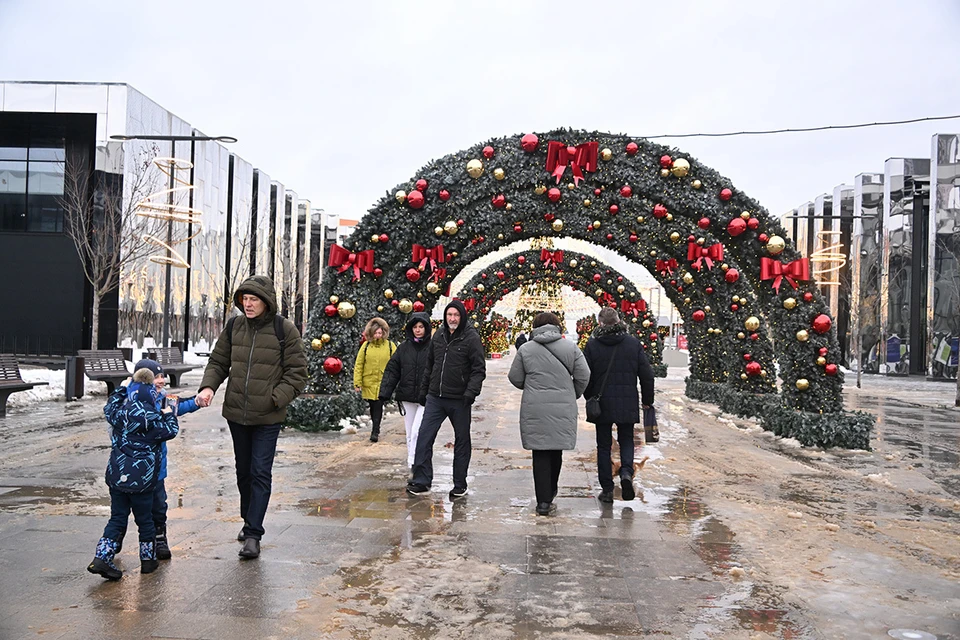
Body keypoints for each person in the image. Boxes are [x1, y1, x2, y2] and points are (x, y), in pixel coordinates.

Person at [195, 274, 308, 559]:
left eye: (253, 299)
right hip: (236, 412)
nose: (247, 304)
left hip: (268, 417)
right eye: (244, 299)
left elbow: (298, 373)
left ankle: (254, 534)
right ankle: (249, 520)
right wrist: (209, 387)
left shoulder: (285, 330)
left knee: (260, 472)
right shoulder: (234, 327)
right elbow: (219, 360)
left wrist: (275, 398)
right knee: (243, 471)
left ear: (266, 302)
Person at [88, 367, 179, 580]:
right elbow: (172, 430)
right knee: (145, 521)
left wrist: (122, 389)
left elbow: (109, 406)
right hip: (143, 481)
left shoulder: (119, 415)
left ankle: (102, 557)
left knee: (117, 519)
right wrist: (170, 413)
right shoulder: (154, 420)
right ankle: (148, 561)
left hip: (117, 478)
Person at [111, 359, 202, 561]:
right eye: (156, 377)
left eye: (162, 376)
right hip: (137, 468)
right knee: (128, 512)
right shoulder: (135, 403)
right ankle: (127, 544)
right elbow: (171, 429)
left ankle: (158, 541)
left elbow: (181, 404)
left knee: (157, 507)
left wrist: (197, 402)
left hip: (150, 471)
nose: (161, 381)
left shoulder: (161, 399)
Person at [508, 312, 590, 516]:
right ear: (557, 326)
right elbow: (584, 374)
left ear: (535, 327)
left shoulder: (526, 349)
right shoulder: (570, 347)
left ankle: (542, 501)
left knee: (540, 452)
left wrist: (531, 386)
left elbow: (515, 377)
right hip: (563, 406)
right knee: (556, 450)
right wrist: (572, 393)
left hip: (535, 407)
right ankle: (551, 490)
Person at [406, 300, 486, 499]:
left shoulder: (471, 338)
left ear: (462, 317)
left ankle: (460, 484)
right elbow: (430, 365)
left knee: (462, 441)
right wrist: (424, 391)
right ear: (445, 317)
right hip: (435, 397)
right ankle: (422, 480)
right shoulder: (439, 336)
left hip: (459, 399)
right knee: (424, 437)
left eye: (456, 315)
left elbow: (478, 369)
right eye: (449, 315)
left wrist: (470, 393)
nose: (452, 319)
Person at [582, 307, 655, 504]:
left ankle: (606, 489)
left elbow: (585, 375)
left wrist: (590, 396)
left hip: (602, 402)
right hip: (627, 400)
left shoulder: (592, 345)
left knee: (603, 445)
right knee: (627, 441)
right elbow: (647, 375)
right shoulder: (633, 344)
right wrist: (648, 401)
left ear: (600, 324)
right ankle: (626, 474)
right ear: (619, 321)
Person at [378, 312, 432, 467]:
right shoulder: (404, 348)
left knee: (417, 432)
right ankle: (412, 461)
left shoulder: (433, 348)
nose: (418, 330)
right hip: (407, 396)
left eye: (421, 327)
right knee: (410, 433)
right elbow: (392, 370)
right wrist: (385, 392)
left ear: (426, 328)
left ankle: (417, 461)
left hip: (425, 398)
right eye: (415, 327)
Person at [353, 317, 395, 443]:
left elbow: (396, 364)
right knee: (373, 406)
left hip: (383, 381)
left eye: (380, 333)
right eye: (376, 333)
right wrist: (357, 382)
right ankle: (375, 428)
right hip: (369, 381)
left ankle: (375, 430)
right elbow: (359, 364)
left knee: (378, 405)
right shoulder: (366, 347)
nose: (378, 335)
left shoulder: (390, 346)